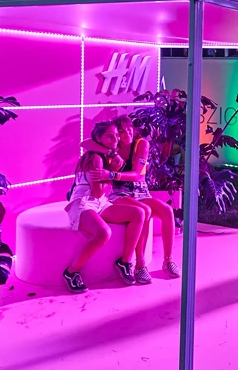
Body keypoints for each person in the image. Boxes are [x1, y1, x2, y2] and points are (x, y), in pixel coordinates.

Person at [62, 121, 150, 292]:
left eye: (116, 135)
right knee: (103, 233)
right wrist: (111, 177)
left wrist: (111, 172)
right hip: (83, 202)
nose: (115, 139)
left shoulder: (107, 155)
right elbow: (96, 193)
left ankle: (125, 262)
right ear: (99, 138)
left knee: (139, 213)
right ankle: (71, 272)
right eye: (110, 136)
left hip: (100, 202)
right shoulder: (96, 158)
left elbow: (101, 195)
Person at [107, 115, 180, 278]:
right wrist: (110, 156)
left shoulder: (141, 144)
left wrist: (113, 174)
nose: (127, 133)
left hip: (141, 192)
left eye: (129, 129)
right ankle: (140, 265)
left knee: (167, 211)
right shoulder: (112, 148)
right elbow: (86, 144)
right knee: (144, 211)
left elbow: (137, 174)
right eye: (122, 131)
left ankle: (168, 261)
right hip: (120, 194)